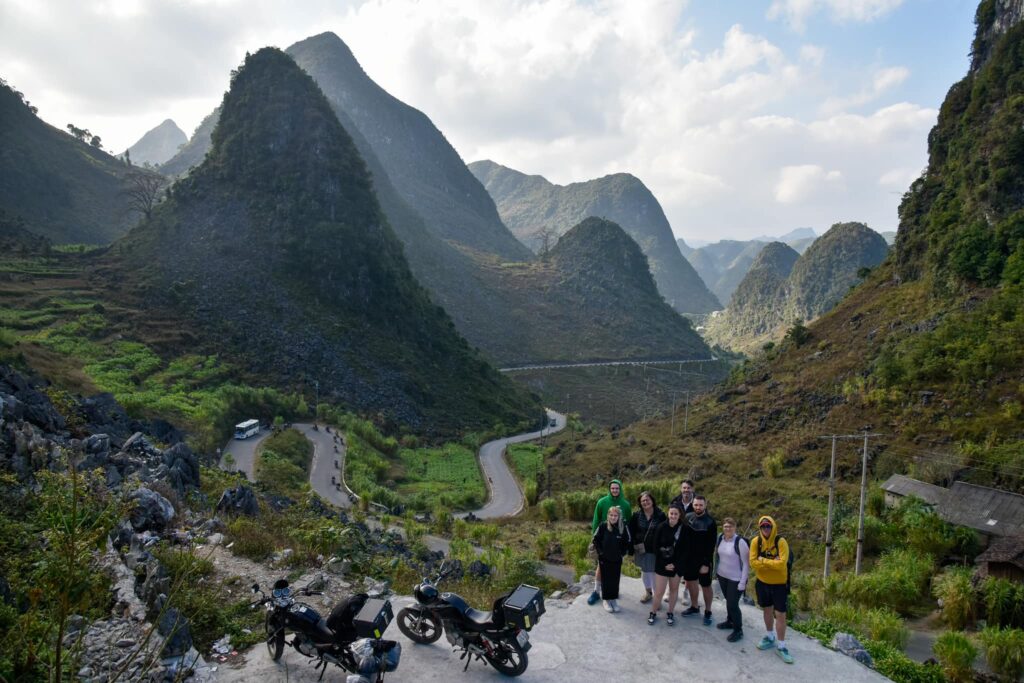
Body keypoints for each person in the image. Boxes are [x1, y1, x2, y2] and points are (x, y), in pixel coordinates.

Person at [750, 515, 793, 664]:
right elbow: (752, 563)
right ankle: (769, 636)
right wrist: (771, 562)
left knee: (780, 614)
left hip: (780, 585)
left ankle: (782, 646)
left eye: (768, 526)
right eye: (763, 526)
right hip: (762, 583)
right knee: (767, 610)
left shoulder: (781, 542)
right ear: (760, 528)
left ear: (772, 526)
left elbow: (781, 564)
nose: (766, 529)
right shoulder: (756, 542)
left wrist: (762, 560)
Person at [588, 479, 632, 605]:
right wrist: (595, 539)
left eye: (617, 488)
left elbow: (628, 522)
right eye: (612, 488)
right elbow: (596, 519)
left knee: (615, 570)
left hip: (617, 542)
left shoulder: (625, 504)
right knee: (600, 568)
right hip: (604, 539)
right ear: (609, 489)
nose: (614, 490)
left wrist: (626, 547)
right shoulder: (602, 502)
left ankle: (611, 592)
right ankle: (596, 591)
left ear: (620, 489)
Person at [681, 495, 717, 625]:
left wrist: (706, 563)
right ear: (693, 504)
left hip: (703, 560)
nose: (698, 507)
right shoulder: (688, 517)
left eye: (701, 505)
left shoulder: (710, 522)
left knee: (706, 586)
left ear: (705, 505)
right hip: (689, 559)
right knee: (691, 583)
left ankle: (708, 611)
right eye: (696, 505)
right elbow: (683, 538)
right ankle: (694, 607)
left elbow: (711, 545)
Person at [648, 503, 686, 626]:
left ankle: (670, 612)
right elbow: (655, 547)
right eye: (671, 513)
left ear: (680, 515)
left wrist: (675, 564)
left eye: (676, 514)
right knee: (659, 592)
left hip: (677, 565)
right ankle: (653, 612)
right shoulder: (661, 527)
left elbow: (686, 550)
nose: (673, 516)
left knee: (674, 590)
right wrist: (665, 564)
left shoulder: (684, 529)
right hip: (662, 564)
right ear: (668, 513)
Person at [714, 517, 749, 643]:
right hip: (722, 576)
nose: (727, 529)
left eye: (730, 526)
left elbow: (746, 564)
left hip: (736, 578)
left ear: (735, 528)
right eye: (725, 526)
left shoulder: (740, 542)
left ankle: (738, 630)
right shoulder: (720, 538)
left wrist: (742, 582)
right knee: (729, 601)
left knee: (732, 604)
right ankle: (730, 621)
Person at [591, 506, 631, 613]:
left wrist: (622, 553)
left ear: (619, 516)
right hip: (604, 558)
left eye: (615, 515)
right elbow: (596, 540)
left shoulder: (623, 527)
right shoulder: (603, 526)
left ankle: (613, 600)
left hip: (617, 559)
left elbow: (627, 541)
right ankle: (606, 600)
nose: (613, 517)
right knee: (606, 579)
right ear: (608, 515)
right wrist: (601, 553)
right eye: (611, 515)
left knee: (615, 579)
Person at [629, 491, 667, 603]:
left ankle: (657, 598)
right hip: (640, 548)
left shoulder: (660, 515)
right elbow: (631, 532)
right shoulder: (636, 515)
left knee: (654, 573)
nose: (645, 502)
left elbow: (665, 532)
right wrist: (631, 548)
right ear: (640, 503)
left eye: (647, 500)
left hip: (655, 549)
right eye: (643, 501)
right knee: (645, 571)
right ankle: (648, 593)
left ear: (652, 500)